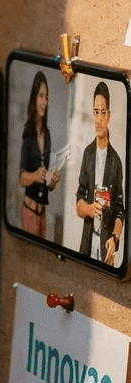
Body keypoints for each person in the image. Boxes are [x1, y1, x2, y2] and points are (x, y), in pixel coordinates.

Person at [76, 82, 125, 266]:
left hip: (106, 249)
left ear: (109, 116)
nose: (98, 119)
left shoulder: (116, 162)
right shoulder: (88, 154)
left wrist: (115, 238)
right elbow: (79, 202)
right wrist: (88, 209)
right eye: (96, 112)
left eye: (103, 113)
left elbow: (120, 209)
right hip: (87, 245)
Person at [18, 71, 60, 237]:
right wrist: (35, 176)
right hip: (29, 211)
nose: (44, 102)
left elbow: (47, 184)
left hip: (43, 213)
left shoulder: (47, 134)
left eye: (46, 97)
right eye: (41, 96)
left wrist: (52, 181)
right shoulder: (28, 133)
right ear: (34, 98)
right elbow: (21, 179)